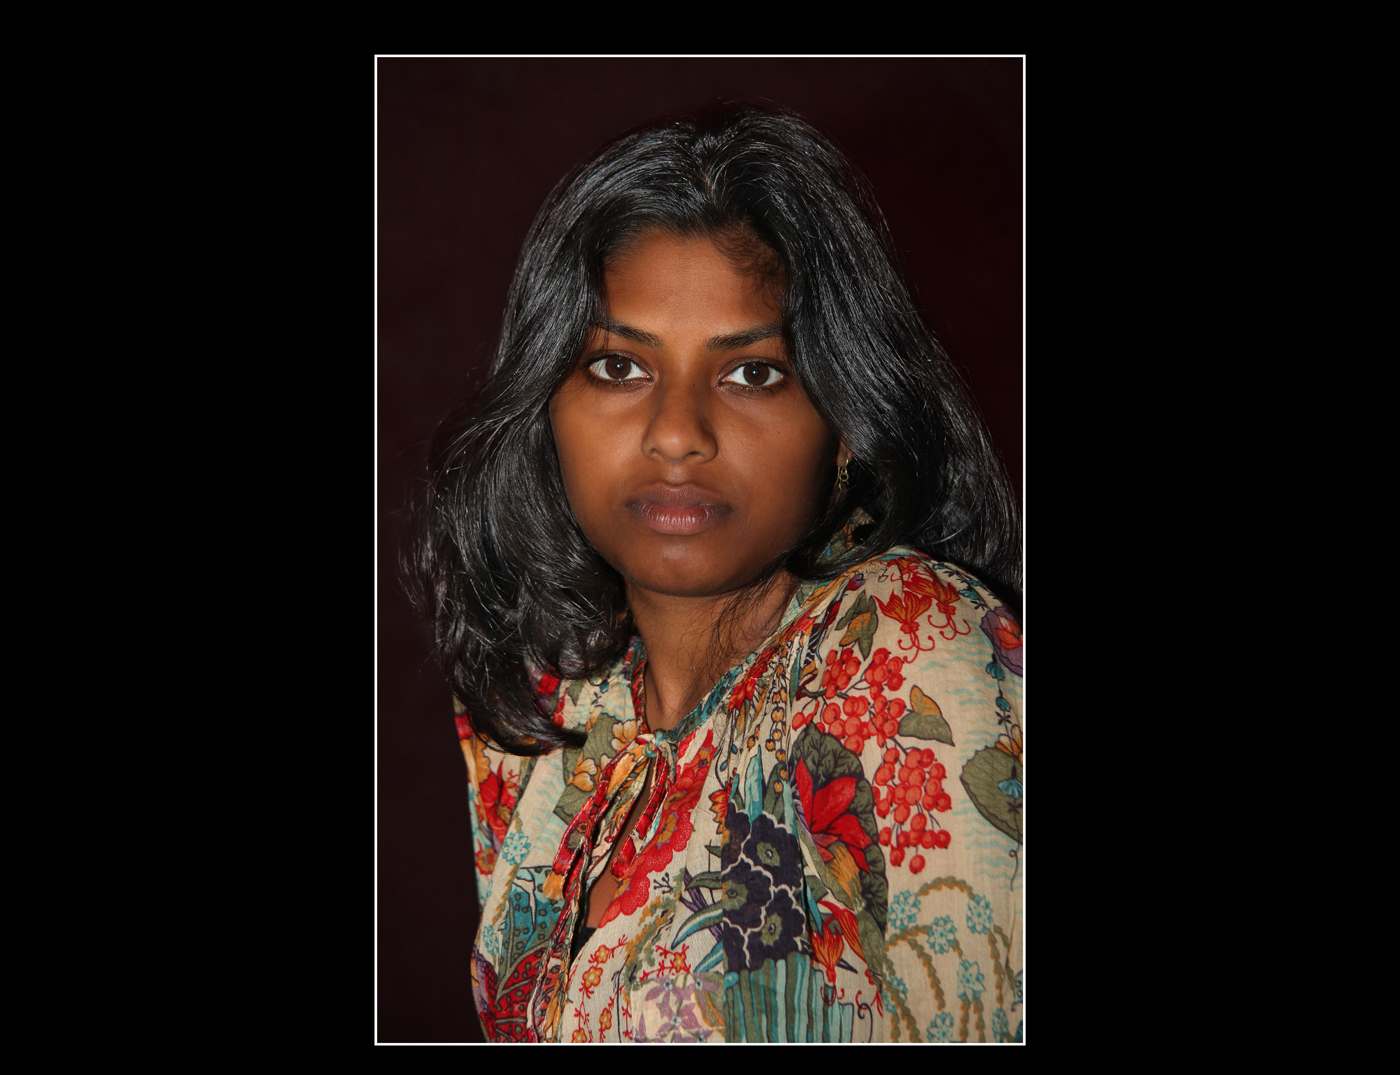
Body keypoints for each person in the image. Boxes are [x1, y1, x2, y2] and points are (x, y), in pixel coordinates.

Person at [407, 106, 1023, 1043]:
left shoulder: (907, 649)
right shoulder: (544, 709)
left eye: (753, 374)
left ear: (845, 420)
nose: (677, 434)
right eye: (619, 366)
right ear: (545, 406)